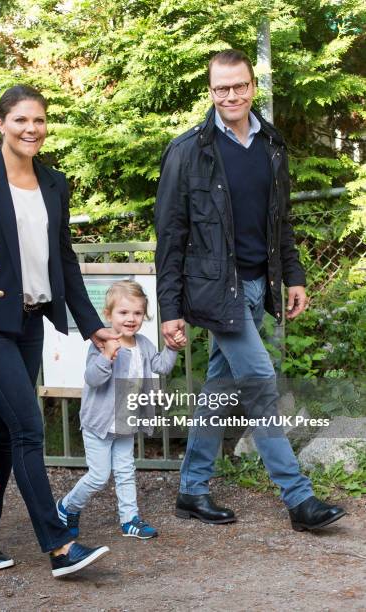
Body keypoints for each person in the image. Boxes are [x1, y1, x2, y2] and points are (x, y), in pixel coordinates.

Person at [154, 49, 346, 531]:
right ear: (211, 91)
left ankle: (192, 490)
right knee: (260, 381)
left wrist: (295, 276)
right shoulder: (188, 150)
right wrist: (169, 308)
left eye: (239, 86)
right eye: (222, 88)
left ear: (252, 87)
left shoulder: (271, 146)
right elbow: (171, 235)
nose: (231, 95)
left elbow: (281, 222)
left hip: (261, 285)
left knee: (220, 388)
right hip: (218, 290)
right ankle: (299, 500)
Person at [0, 85, 119, 577]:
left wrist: (92, 327)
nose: (31, 129)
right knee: (27, 428)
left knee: (1, 434)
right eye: (21, 120)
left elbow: (64, 260)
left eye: (39, 120)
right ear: (1, 124)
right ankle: (60, 545)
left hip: (29, 323)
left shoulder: (54, 183)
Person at [57, 281, 184, 539]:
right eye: (123, 313)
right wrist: (107, 357)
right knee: (99, 476)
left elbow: (161, 366)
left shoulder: (145, 345)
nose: (131, 319)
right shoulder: (101, 344)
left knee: (126, 472)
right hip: (99, 425)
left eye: (137, 313)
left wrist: (171, 347)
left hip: (126, 423)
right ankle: (66, 506)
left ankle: (130, 520)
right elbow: (93, 379)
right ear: (109, 315)